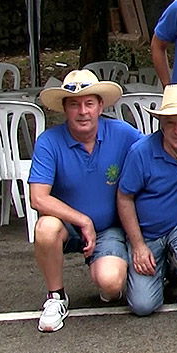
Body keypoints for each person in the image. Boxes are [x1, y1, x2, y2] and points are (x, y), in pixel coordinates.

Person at [30, 70, 142, 332]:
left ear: (100, 106)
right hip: (67, 226)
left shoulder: (122, 133)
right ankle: (56, 297)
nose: (82, 111)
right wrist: (82, 220)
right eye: (74, 104)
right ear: (64, 108)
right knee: (45, 228)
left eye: (89, 103)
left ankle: (104, 275)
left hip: (108, 228)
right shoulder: (49, 141)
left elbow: (158, 147)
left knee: (111, 284)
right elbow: (38, 198)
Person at [117, 84, 177, 316]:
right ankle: (164, 268)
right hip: (148, 233)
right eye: (170, 123)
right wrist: (138, 245)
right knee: (143, 306)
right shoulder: (141, 152)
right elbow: (124, 197)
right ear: (161, 123)